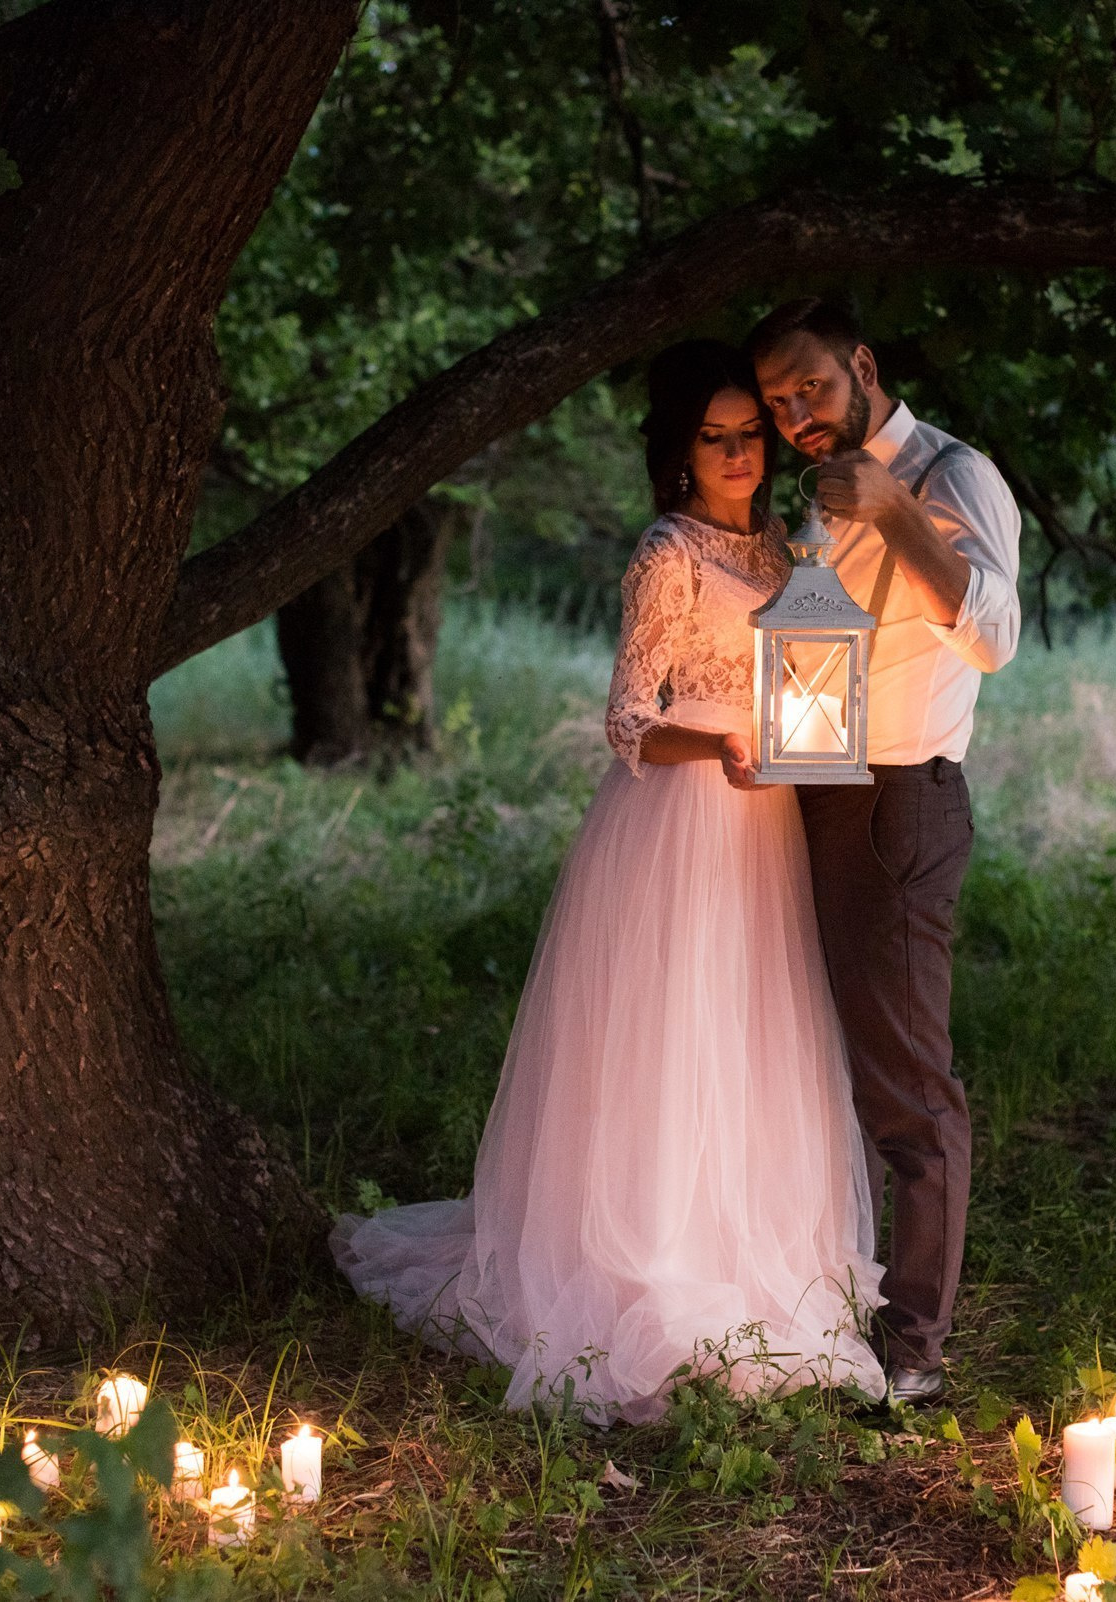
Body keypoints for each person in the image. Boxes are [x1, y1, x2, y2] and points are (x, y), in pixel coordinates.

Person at [333, 340, 885, 1424]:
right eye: (713, 439)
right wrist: (720, 750)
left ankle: (752, 1240)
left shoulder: (786, 549)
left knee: (755, 1025)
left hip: (766, 826)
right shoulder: (666, 554)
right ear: (679, 452)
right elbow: (628, 717)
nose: (736, 455)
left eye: (747, 436)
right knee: (672, 1031)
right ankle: (650, 1254)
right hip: (681, 821)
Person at [747, 298, 1021, 1406]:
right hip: (806, 795)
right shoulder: (810, 498)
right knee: (811, 1063)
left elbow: (997, 638)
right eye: (777, 403)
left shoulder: (955, 476)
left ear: (862, 364)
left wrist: (900, 512)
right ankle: (818, 1301)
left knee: (909, 1086)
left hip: (901, 802)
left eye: (811, 386)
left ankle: (913, 1351)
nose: (797, 415)